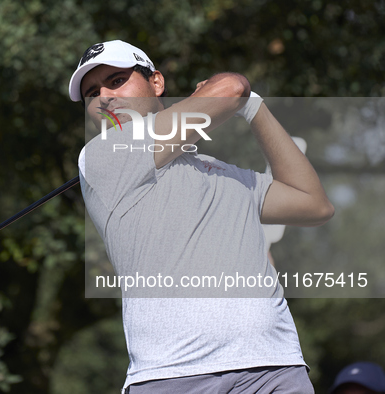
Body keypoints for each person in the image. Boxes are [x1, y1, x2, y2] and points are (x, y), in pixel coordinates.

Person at [69, 40, 334, 393]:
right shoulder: (100, 158)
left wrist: (253, 109)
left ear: (157, 83)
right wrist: (228, 95)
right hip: (172, 376)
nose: (102, 97)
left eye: (116, 81)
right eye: (91, 93)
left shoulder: (222, 172)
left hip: (274, 368)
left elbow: (314, 204)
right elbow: (231, 86)